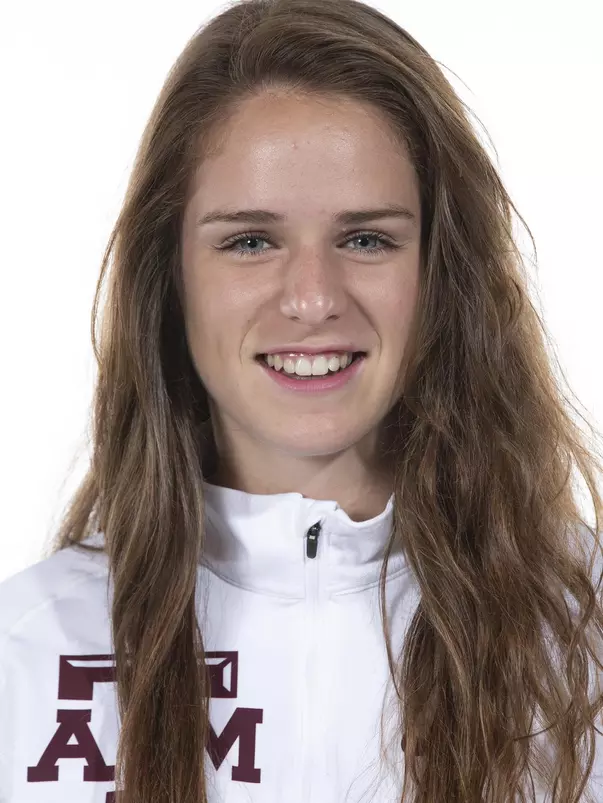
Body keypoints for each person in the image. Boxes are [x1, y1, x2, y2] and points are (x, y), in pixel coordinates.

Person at [1, 0, 603, 800]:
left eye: (366, 239)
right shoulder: (25, 652)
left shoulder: (583, 634)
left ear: (440, 274)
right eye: (250, 241)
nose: (313, 298)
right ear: (170, 276)